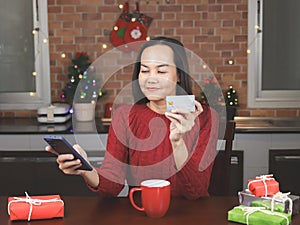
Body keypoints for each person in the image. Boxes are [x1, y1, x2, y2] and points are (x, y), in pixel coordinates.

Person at [46, 37, 219, 200]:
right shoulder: (124, 116)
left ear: (179, 75)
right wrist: (85, 169)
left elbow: (198, 191)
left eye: (161, 71)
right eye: (145, 70)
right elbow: (112, 185)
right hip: (141, 214)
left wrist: (177, 142)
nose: (151, 78)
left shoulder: (205, 117)